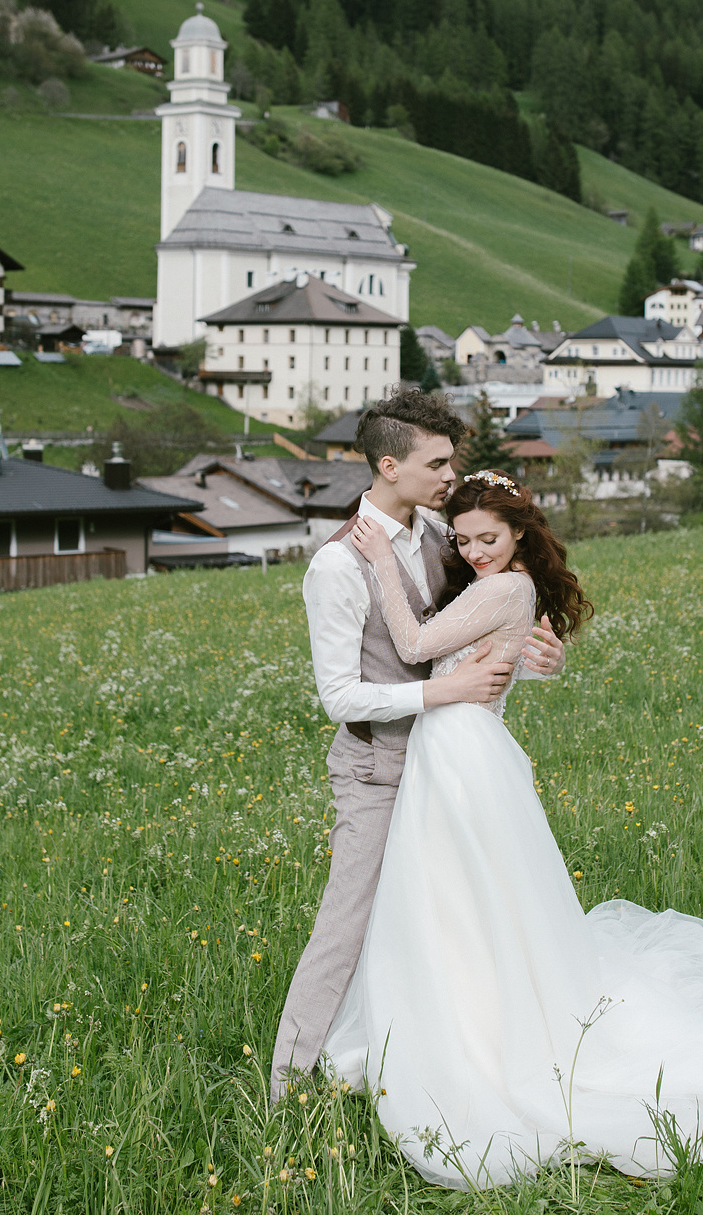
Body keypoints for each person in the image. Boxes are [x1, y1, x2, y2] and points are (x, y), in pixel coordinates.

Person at [324, 468, 703, 1189]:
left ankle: (478, 1026)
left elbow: (413, 645)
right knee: (457, 898)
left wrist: (377, 557)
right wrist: (541, 663)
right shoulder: (496, 584)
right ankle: (461, 1003)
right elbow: (483, 655)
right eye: (465, 538)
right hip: (455, 751)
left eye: (489, 538)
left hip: (462, 755)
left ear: (519, 536)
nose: (473, 550)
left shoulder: (506, 585)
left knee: (462, 892)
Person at [270, 389, 566, 1103]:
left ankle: (447, 1059)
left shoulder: (444, 532)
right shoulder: (337, 567)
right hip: (378, 768)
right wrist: (442, 695)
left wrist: (536, 655)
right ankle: (287, 1082)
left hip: (450, 765)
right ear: (389, 465)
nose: (449, 475)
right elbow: (339, 696)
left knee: (454, 916)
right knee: (348, 921)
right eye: (437, 462)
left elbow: (476, 628)